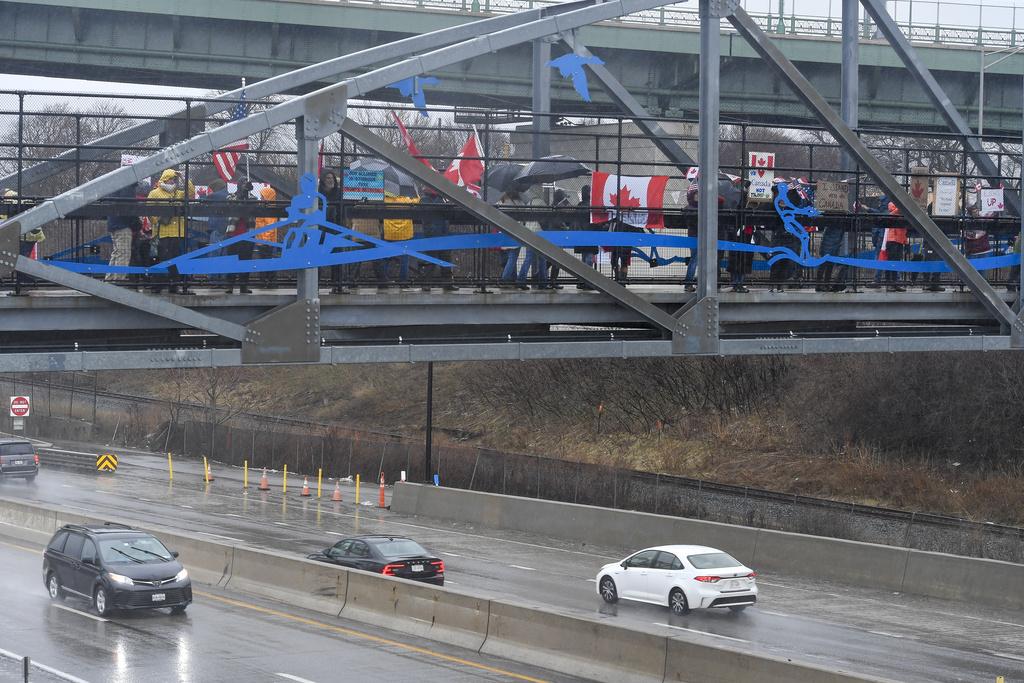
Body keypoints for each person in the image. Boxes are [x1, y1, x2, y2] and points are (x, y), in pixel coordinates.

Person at [147, 169, 194, 294]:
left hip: (178, 232)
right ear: (165, 179)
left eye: (174, 179)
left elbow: (191, 192)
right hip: (162, 233)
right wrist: (158, 221)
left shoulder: (178, 193)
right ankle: (158, 285)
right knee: (162, 259)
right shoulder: (154, 193)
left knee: (176, 260)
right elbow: (149, 211)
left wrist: (183, 177)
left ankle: (174, 285)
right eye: (171, 178)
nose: (173, 181)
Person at [418, 187, 458, 292]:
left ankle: (447, 283)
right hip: (432, 234)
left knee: (445, 259)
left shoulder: (442, 198)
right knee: (431, 260)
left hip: (443, 233)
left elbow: (449, 214)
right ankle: (426, 283)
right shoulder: (424, 199)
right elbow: (431, 211)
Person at [377, 193, 418, 290]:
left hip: (389, 233)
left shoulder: (385, 200)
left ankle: (383, 281)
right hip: (404, 233)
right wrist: (417, 195)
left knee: (386, 257)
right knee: (404, 259)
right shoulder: (405, 200)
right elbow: (416, 201)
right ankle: (403, 281)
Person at [318, 172, 347, 294]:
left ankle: (337, 284)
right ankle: (315, 284)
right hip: (320, 228)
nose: (330, 180)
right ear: (323, 180)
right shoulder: (318, 193)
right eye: (327, 178)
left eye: (332, 178)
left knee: (336, 257)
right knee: (318, 257)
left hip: (335, 227)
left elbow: (343, 209)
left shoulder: (339, 193)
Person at [104, 184, 141, 282]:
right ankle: (119, 279)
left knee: (117, 252)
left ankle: (110, 277)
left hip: (114, 223)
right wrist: (136, 224)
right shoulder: (128, 187)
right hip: (123, 224)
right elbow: (129, 207)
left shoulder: (116, 186)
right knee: (124, 252)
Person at [224, 178, 255, 294]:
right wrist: (241, 195)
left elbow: (253, 210)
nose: (244, 185)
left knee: (246, 261)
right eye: (242, 183)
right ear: (238, 185)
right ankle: (230, 286)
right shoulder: (231, 196)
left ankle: (243, 286)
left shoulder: (252, 198)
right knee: (231, 261)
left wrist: (247, 196)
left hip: (248, 234)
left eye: (245, 184)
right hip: (233, 234)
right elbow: (232, 207)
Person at [572, 185, 600, 290]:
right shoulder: (592, 206)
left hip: (580, 236)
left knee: (584, 259)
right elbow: (596, 222)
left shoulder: (579, 206)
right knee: (589, 259)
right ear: (589, 193)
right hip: (590, 235)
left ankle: (582, 281)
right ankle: (588, 282)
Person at [543, 188, 571, 289]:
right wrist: (564, 226)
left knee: (552, 259)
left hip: (552, 235)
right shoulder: (558, 207)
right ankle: (552, 280)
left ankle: (542, 276)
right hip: (558, 235)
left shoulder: (553, 206)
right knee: (557, 260)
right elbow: (558, 221)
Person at [253, 184, 279, 289]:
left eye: (262, 196)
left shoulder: (269, 209)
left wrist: (265, 240)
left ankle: (267, 282)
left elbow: (270, 227)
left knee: (266, 262)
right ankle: (267, 282)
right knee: (267, 262)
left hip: (266, 242)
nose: (261, 198)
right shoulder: (266, 208)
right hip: (263, 241)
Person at [883, 202, 908, 292]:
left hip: (899, 239)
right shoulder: (892, 204)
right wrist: (902, 207)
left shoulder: (901, 209)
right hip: (892, 239)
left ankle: (894, 283)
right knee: (891, 262)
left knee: (896, 263)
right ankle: (889, 284)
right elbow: (892, 212)